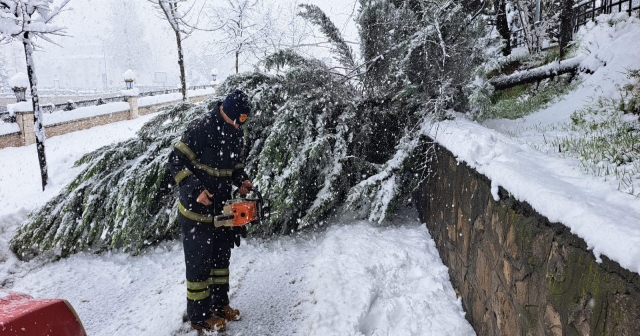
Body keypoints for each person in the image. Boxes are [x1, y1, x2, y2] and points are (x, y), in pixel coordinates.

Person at [168, 89, 253, 332]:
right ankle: (199, 316)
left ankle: (219, 304)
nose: (240, 125)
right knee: (199, 266)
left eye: (244, 121)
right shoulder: (202, 128)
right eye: (240, 119)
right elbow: (176, 161)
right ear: (229, 112)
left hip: (222, 211)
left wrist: (242, 180)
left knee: (220, 261)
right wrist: (195, 190)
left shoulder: (236, 134)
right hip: (196, 213)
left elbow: (235, 165)